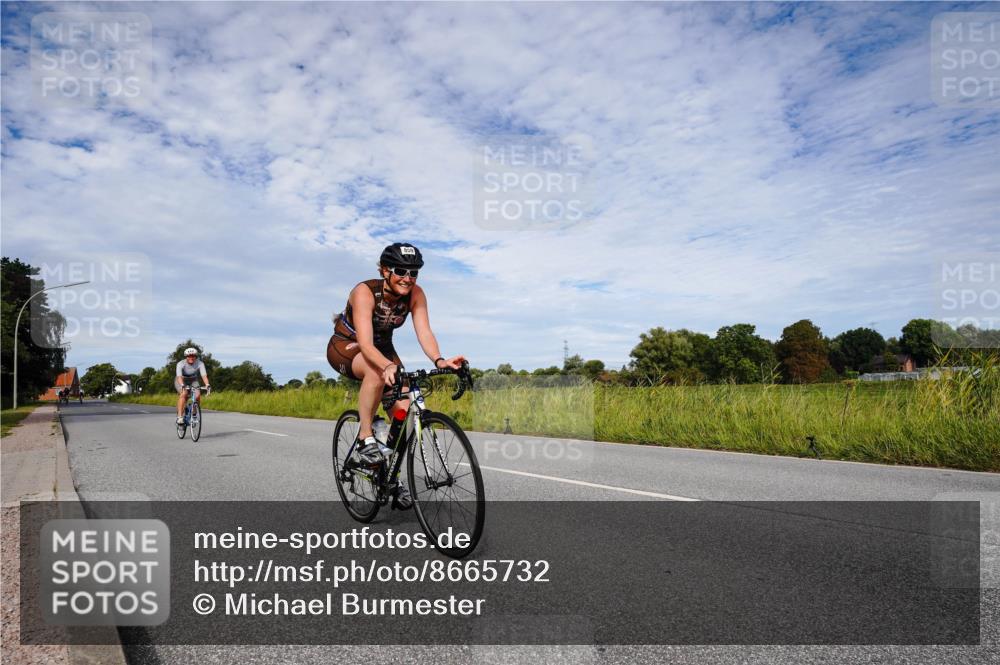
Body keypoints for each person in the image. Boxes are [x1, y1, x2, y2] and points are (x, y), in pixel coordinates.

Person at [327, 243, 466, 509]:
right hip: (348, 345)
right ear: (384, 270)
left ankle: (391, 479)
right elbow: (367, 346)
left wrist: (439, 359)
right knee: (377, 372)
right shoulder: (365, 292)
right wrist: (386, 366)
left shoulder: (416, 294)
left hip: (383, 348)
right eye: (401, 270)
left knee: (403, 416)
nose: (408, 278)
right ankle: (365, 436)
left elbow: (424, 331)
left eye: (414, 272)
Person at [176, 347, 210, 424]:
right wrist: (182, 385)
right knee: (184, 394)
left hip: (193, 380)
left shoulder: (200, 363)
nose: (191, 358)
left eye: (193, 356)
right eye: (189, 356)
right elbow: (179, 377)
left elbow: (204, 376)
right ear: (186, 357)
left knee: (197, 395)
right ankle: (180, 417)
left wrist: (207, 385)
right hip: (181, 380)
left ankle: (194, 414)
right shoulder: (180, 364)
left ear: (195, 356)